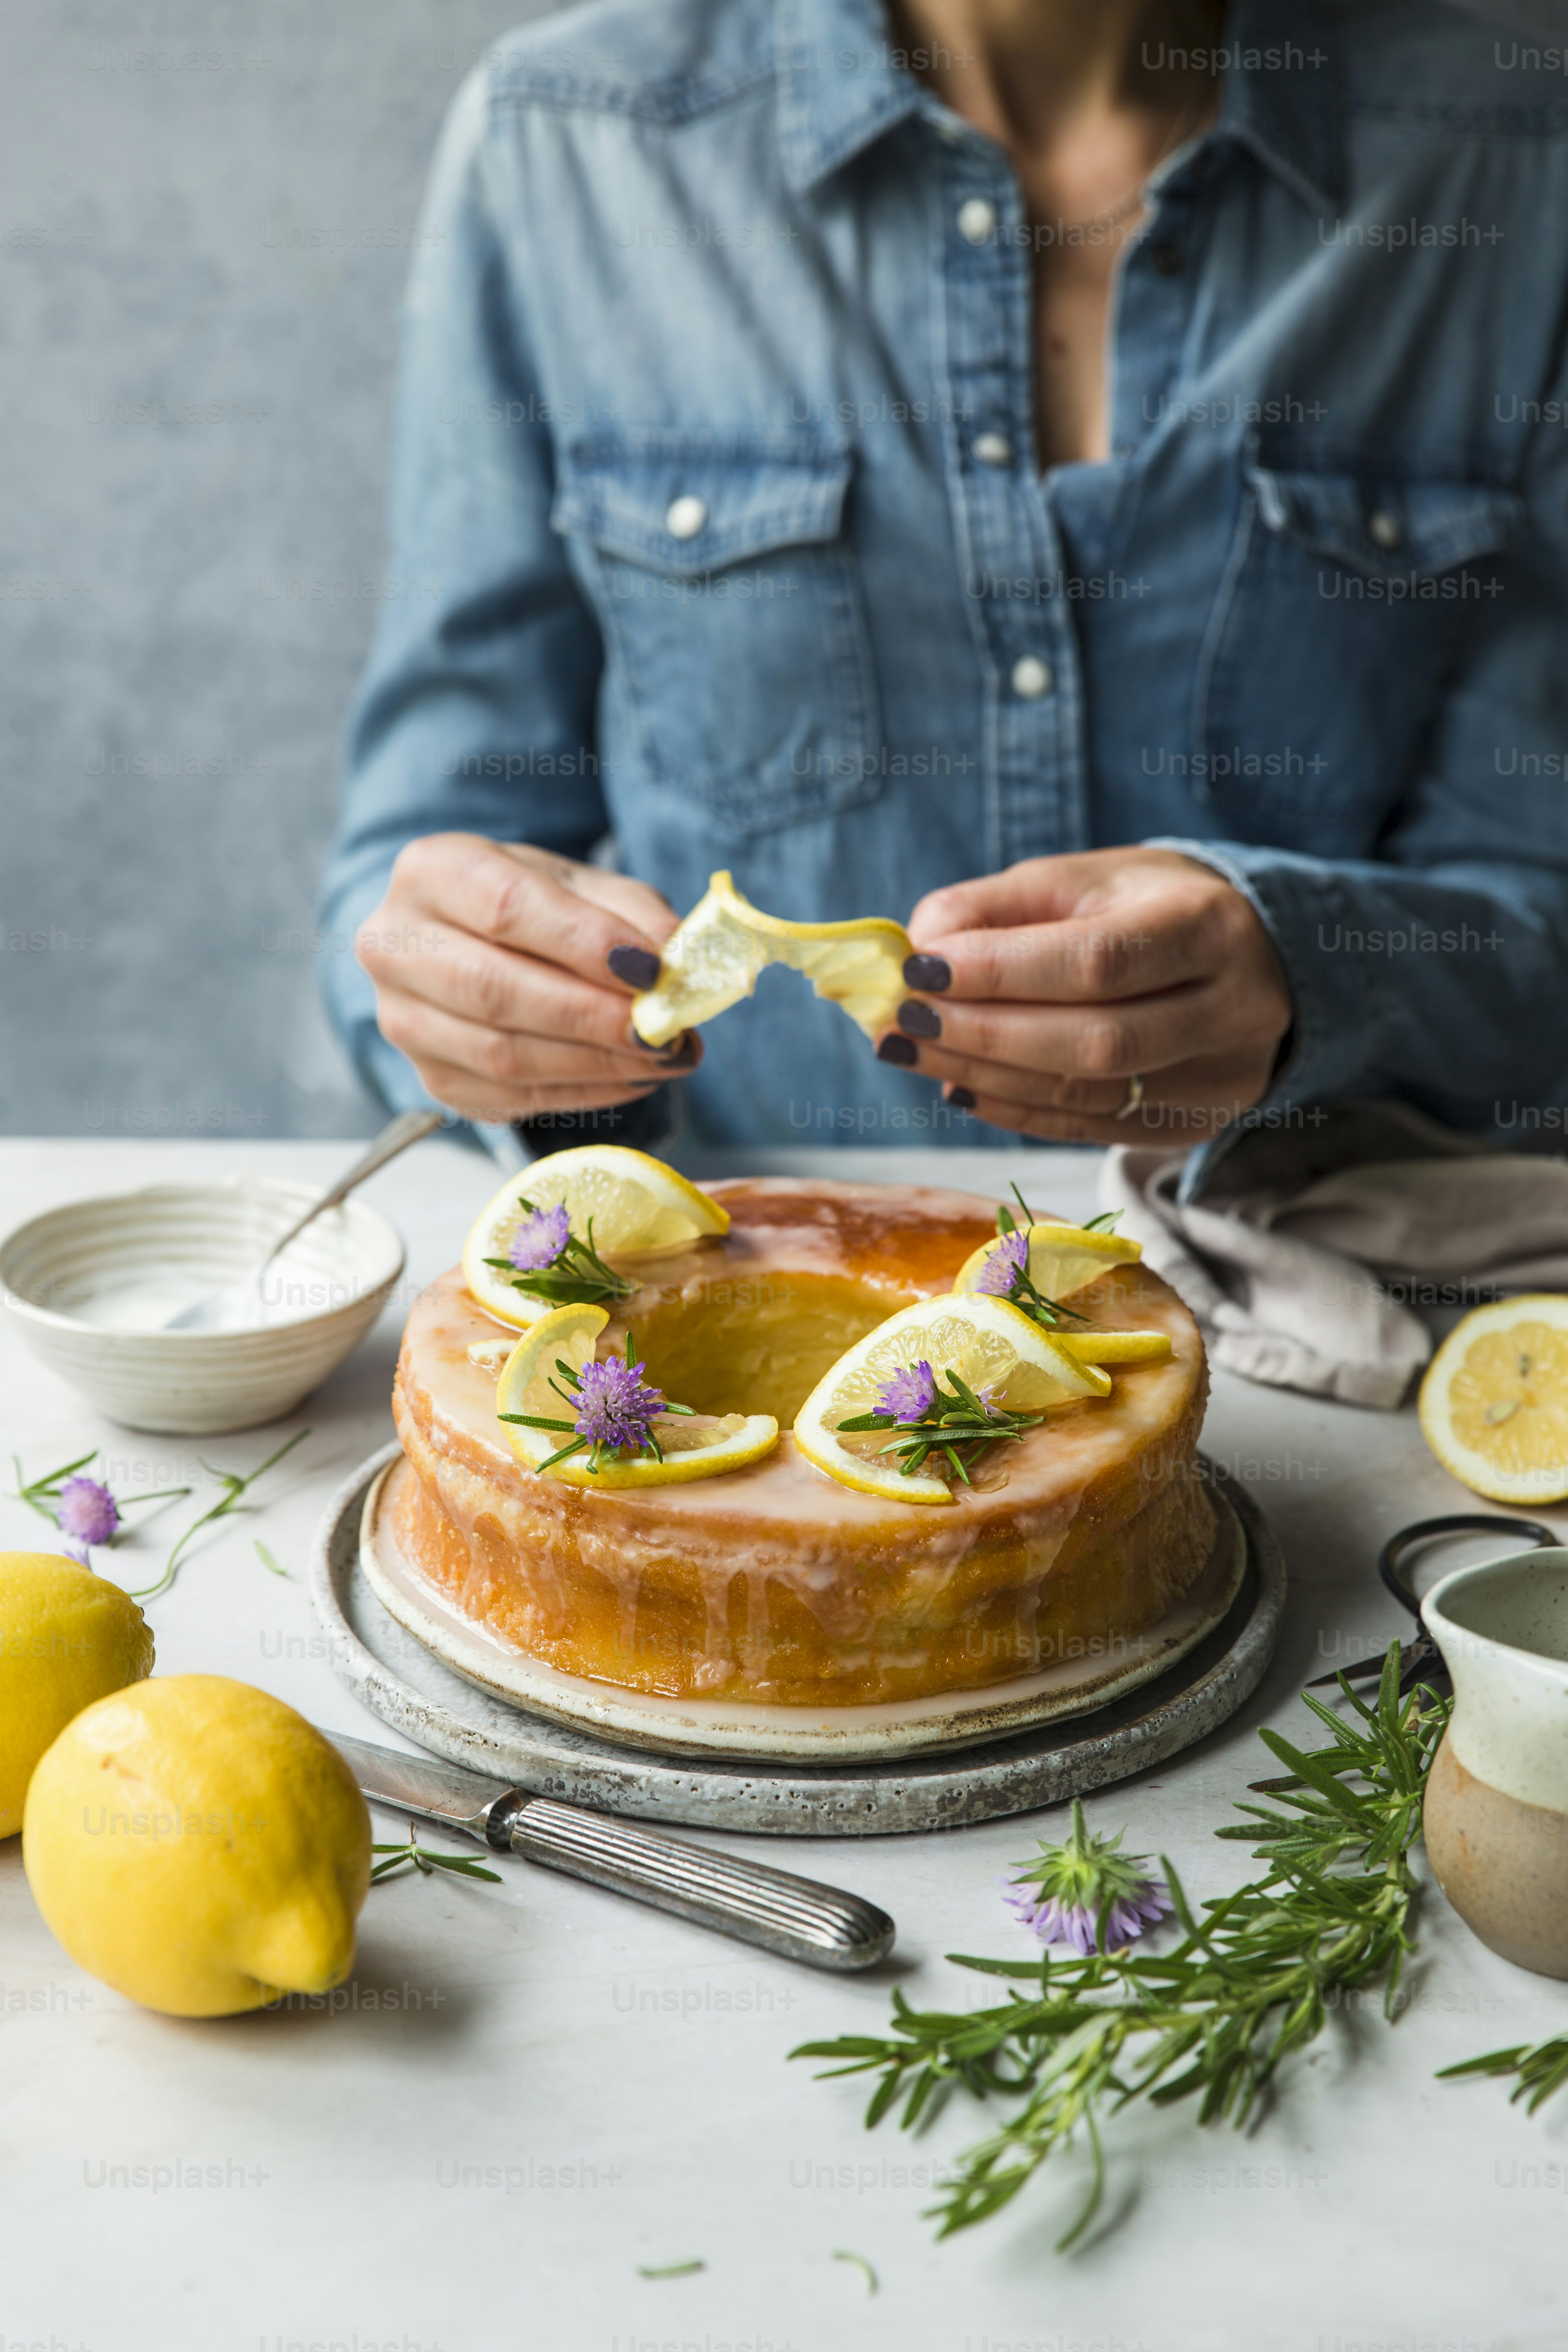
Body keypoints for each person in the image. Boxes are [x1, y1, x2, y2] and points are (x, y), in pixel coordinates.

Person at [321, 0, 1568, 1189]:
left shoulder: (1517, 160)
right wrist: (479, 1005)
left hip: (1313, 1316)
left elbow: (1537, 917)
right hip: (741, 1290)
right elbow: (405, 868)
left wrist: (1315, 975)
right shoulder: (567, 141)